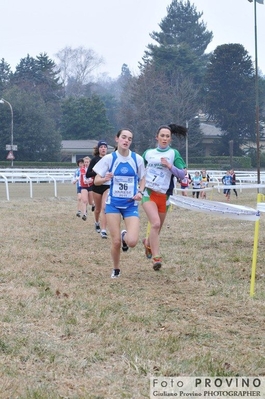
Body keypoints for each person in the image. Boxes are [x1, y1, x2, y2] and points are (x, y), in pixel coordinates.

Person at [93, 128, 145, 278]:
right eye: (123, 137)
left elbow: (143, 178)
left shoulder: (137, 159)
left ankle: (125, 237)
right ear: (117, 139)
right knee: (115, 242)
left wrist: (140, 192)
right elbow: (96, 180)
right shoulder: (109, 159)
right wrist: (105, 178)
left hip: (130, 205)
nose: (126, 140)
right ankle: (116, 269)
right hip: (113, 204)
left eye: (129, 138)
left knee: (133, 241)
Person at [141, 124, 187, 271]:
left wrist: (169, 166)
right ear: (157, 137)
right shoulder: (148, 153)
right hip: (149, 194)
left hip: (164, 197)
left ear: (170, 139)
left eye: (167, 136)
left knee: (157, 229)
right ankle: (156, 259)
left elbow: (182, 174)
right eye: (162, 135)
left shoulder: (174, 153)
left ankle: (147, 243)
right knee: (154, 224)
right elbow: (138, 170)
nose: (165, 138)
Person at [86, 140, 110, 238]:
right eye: (101, 147)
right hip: (96, 186)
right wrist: (98, 173)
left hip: (107, 186)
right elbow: (88, 174)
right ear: (98, 149)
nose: (103, 148)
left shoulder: (110, 159)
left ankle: (103, 230)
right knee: (98, 209)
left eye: (105, 147)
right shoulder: (94, 160)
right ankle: (96, 222)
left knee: (104, 208)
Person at [79, 156, 95, 221]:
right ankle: (84, 214)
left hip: (91, 186)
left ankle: (93, 205)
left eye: (87, 162)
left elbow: (94, 176)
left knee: (91, 202)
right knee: (84, 200)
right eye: (85, 162)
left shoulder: (93, 169)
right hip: (84, 186)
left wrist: (91, 180)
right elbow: (82, 177)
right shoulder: (82, 169)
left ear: (89, 162)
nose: (86, 163)